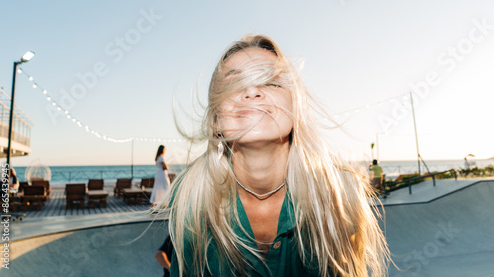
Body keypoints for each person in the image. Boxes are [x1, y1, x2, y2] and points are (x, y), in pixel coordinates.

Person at [161, 35, 388, 276]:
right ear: (216, 120)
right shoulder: (191, 198)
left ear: (295, 106)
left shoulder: (339, 196)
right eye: (234, 84)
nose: (251, 92)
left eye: (270, 81)